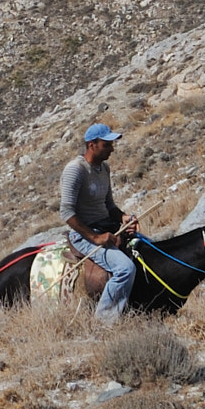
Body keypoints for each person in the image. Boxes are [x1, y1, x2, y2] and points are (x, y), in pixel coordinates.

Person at [61, 122, 139, 321]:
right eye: (107, 144)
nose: (112, 149)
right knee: (125, 269)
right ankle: (103, 322)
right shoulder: (75, 170)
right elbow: (67, 213)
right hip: (84, 234)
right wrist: (95, 238)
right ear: (91, 145)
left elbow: (110, 205)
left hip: (107, 226)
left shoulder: (104, 168)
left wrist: (124, 218)